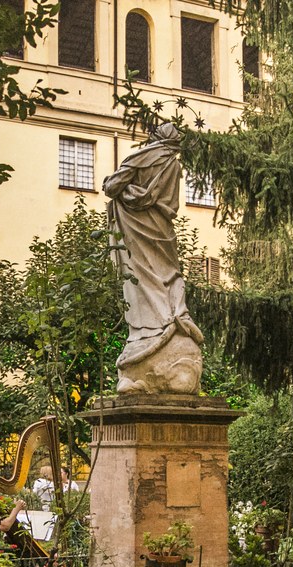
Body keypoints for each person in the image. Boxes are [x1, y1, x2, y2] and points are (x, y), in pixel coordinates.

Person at [102, 122, 204, 394]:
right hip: (162, 228)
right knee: (168, 273)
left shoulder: (142, 156)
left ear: (155, 138)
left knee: (139, 274)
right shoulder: (174, 164)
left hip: (137, 226)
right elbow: (170, 201)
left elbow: (112, 187)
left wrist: (125, 192)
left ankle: (151, 328)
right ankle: (172, 318)